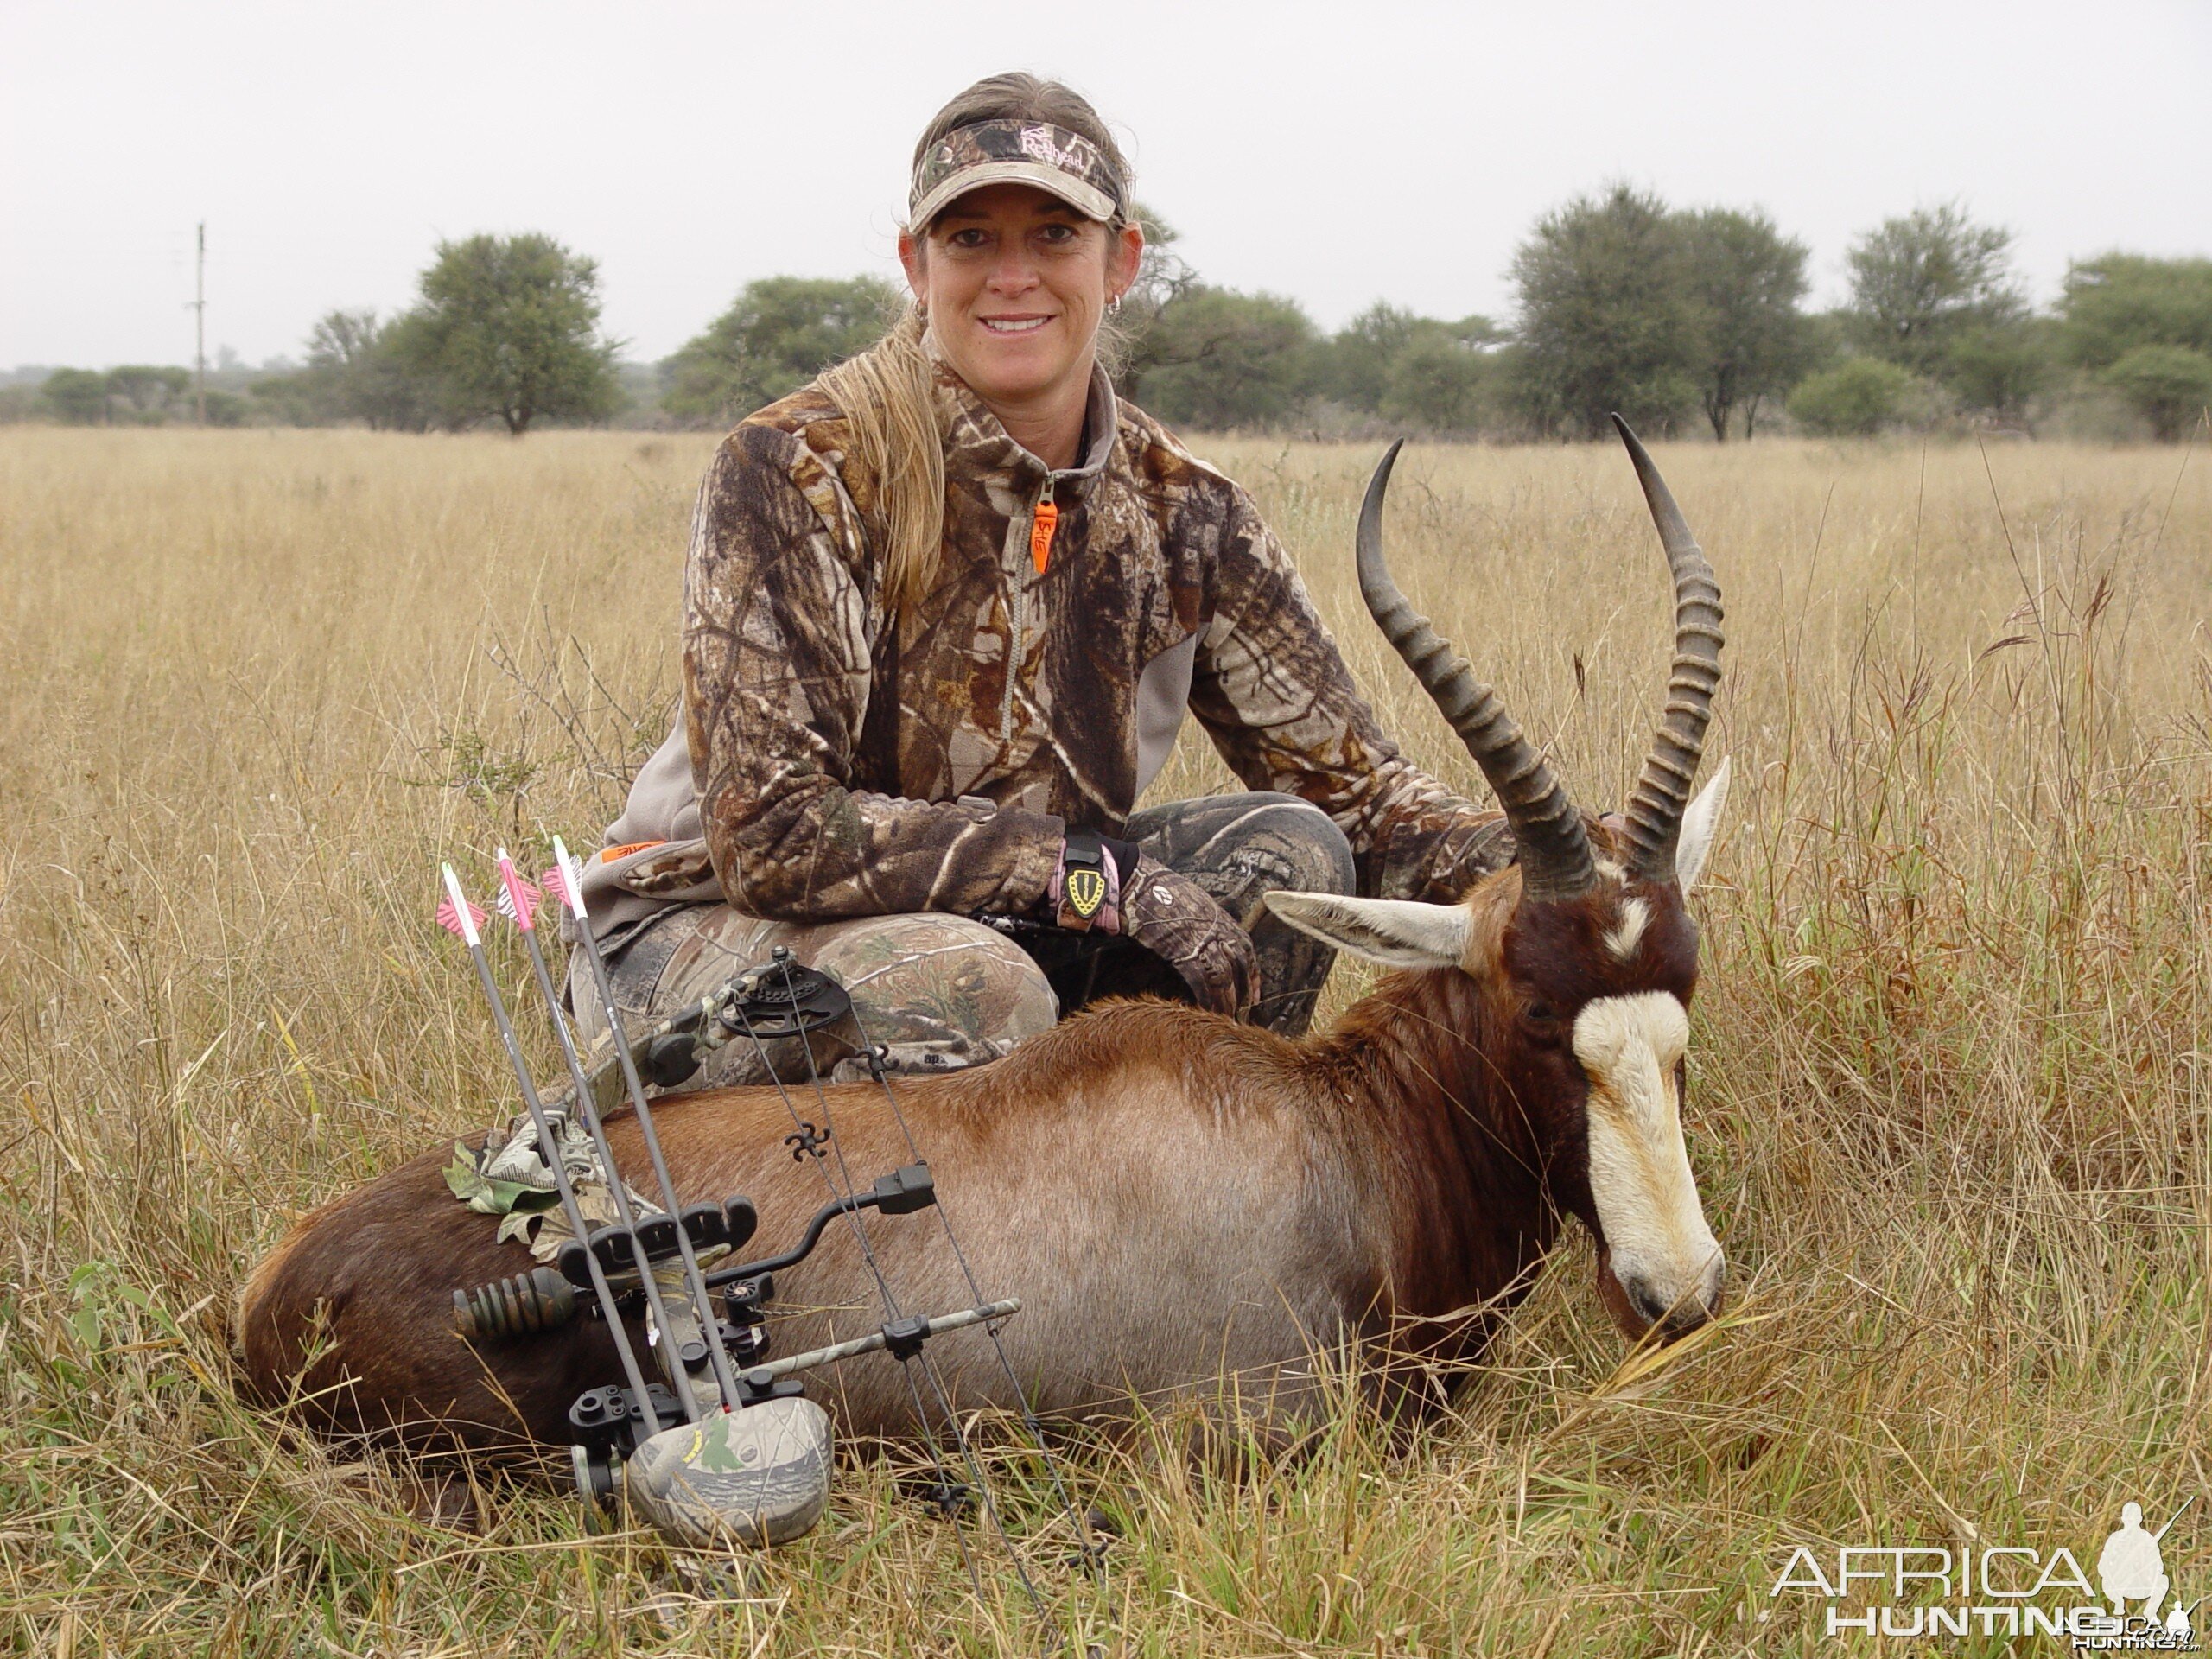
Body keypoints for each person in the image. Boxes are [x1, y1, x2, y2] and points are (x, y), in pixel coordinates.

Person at [567, 72, 1510, 1086]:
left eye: (1055, 235)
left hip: (1022, 922)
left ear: (1122, 262)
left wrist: (1569, 858)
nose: (1011, 275)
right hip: (700, 928)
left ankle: (1193, 1215)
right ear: (915, 265)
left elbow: (1359, 802)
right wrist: (1080, 875)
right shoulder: (796, 465)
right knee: (971, 984)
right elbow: (774, 838)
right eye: (969, 238)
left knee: (1291, 852)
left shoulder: (1189, 511)